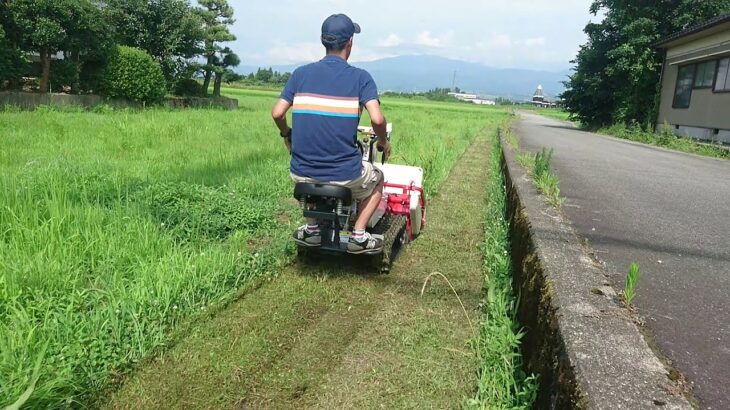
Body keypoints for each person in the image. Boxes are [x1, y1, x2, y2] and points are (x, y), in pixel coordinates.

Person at [271, 13, 391, 254]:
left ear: (323, 41)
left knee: (309, 174)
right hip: (345, 174)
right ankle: (358, 235)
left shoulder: (300, 74)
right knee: (377, 178)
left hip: (300, 173)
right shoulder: (361, 78)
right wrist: (384, 143)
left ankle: (312, 229)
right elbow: (377, 119)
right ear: (350, 43)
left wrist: (287, 135)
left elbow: (277, 113)